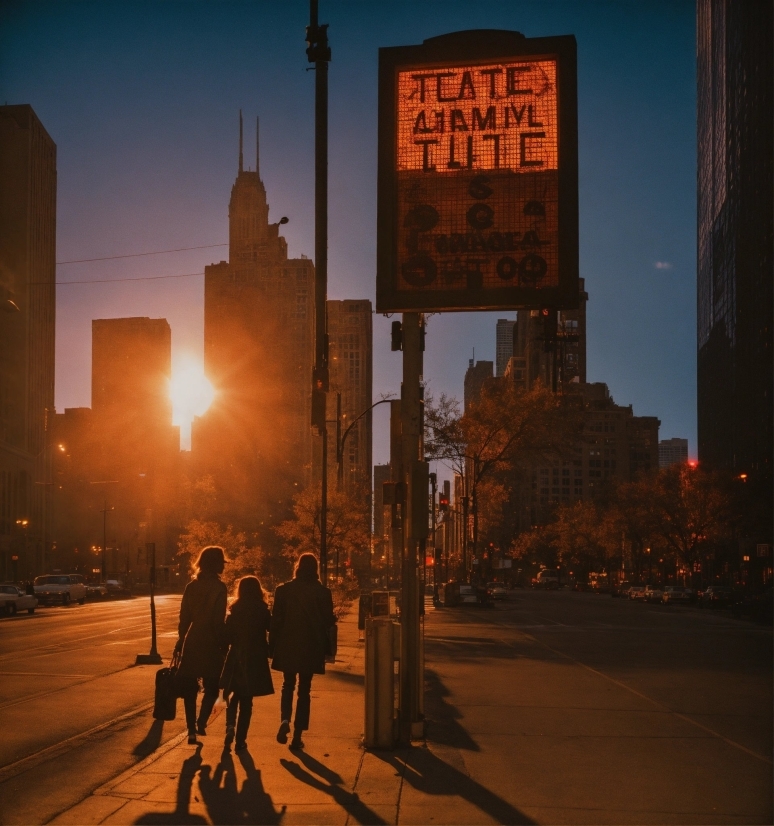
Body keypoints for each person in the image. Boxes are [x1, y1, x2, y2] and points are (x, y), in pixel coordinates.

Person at [270, 553, 335, 750]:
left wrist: (272, 646)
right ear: (315, 569)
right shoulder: (323, 592)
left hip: (288, 644)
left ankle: (284, 720)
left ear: (297, 566)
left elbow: (276, 620)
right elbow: (328, 622)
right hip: (311, 646)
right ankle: (297, 735)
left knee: (287, 685)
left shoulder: (283, 590)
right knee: (304, 689)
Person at [175, 545, 228, 745]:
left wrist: (181, 640)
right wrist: (223, 642)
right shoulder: (219, 588)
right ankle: (201, 721)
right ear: (215, 564)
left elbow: (184, 617)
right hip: (211, 642)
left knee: (189, 688)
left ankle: (190, 731)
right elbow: (218, 620)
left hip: (193, 638)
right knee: (212, 687)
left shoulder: (191, 587)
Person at [220, 575, 274, 752]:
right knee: (247, 700)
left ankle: (229, 727)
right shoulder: (262, 610)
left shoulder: (235, 609)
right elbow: (271, 629)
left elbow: (226, 636)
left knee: (233, 695)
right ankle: (241, 740)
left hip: (236, 655)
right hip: (255, 657)